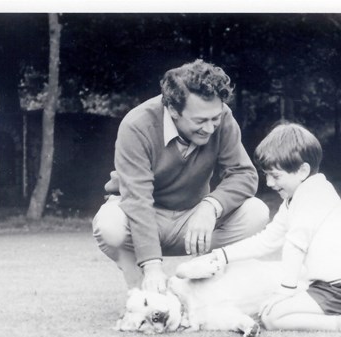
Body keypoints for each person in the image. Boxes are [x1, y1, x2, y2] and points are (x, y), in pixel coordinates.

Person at [177, 122, 341, 332]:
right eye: (266, 175)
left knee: (271, 316)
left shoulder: (314, 195)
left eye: (275, 176)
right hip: (338, 286)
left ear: (303, 171)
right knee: (271, 312)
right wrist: (221, 256)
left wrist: (284, 292)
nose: (269, 183)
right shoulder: (297, 198)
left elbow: (295, 245)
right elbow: (267, 240)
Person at [92, 59, 269, 294]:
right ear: (173, 110)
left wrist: (210, 207)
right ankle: (142, 292)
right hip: (144, 215)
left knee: (256, 213)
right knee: (109, 224)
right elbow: (137, 199)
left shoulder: (223, 116)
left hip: (194, 218)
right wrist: (152, 266)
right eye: (200, 121)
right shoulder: (136, 125)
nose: (209, 128)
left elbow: (243, 173)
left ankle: (207, 285)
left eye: (214, 119)